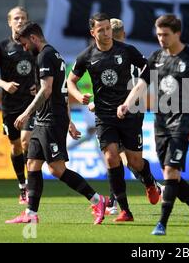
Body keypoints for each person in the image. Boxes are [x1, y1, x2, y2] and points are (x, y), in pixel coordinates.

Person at [118, 14, 189, 236]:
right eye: (158, 34)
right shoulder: (156, 57)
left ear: (177, 33)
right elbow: (141, 84)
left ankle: (162, 224)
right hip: (160, 122)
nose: (161, 38)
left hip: (183, 120)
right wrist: (126, 104)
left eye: (165, 34)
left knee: (171, 171)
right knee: (171, 175)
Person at [5, 22, 107, 225]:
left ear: (34, 38)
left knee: (57, 168)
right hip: (46, 119)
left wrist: (26, 112)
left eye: (25, 43)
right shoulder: (53, 55)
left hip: (51, 119)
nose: (24, 48)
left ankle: (98, 200)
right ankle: (31, 214)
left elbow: (48, 89)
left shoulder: (46, 55)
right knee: (33, 164)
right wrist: (69, 122)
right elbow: (62, 92)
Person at [67, 13, 160, 223]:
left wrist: (133, 96)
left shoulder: (126, 50)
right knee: (111, 157)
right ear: (93, 32)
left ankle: (149, 182)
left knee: (135, 162)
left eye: (108, 28)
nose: (107, 33)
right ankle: (125, 210)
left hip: (129, 112)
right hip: (104, 114)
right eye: (101, 29)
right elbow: (70, 82)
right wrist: (79, 96)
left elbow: (149, 69)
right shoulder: (86, 56)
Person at [0, 6, 36, 205]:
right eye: (16, 18)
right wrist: (4, 84)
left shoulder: (33, 45)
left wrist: (38, 86)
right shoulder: (2, 47)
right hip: (10, 106)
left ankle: (32, 187)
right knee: (15, 147)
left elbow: (44, 68)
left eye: (23, 18)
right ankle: (22, 186)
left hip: (30, 104)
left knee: (26, 141)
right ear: (9, 22)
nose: (20, 21)